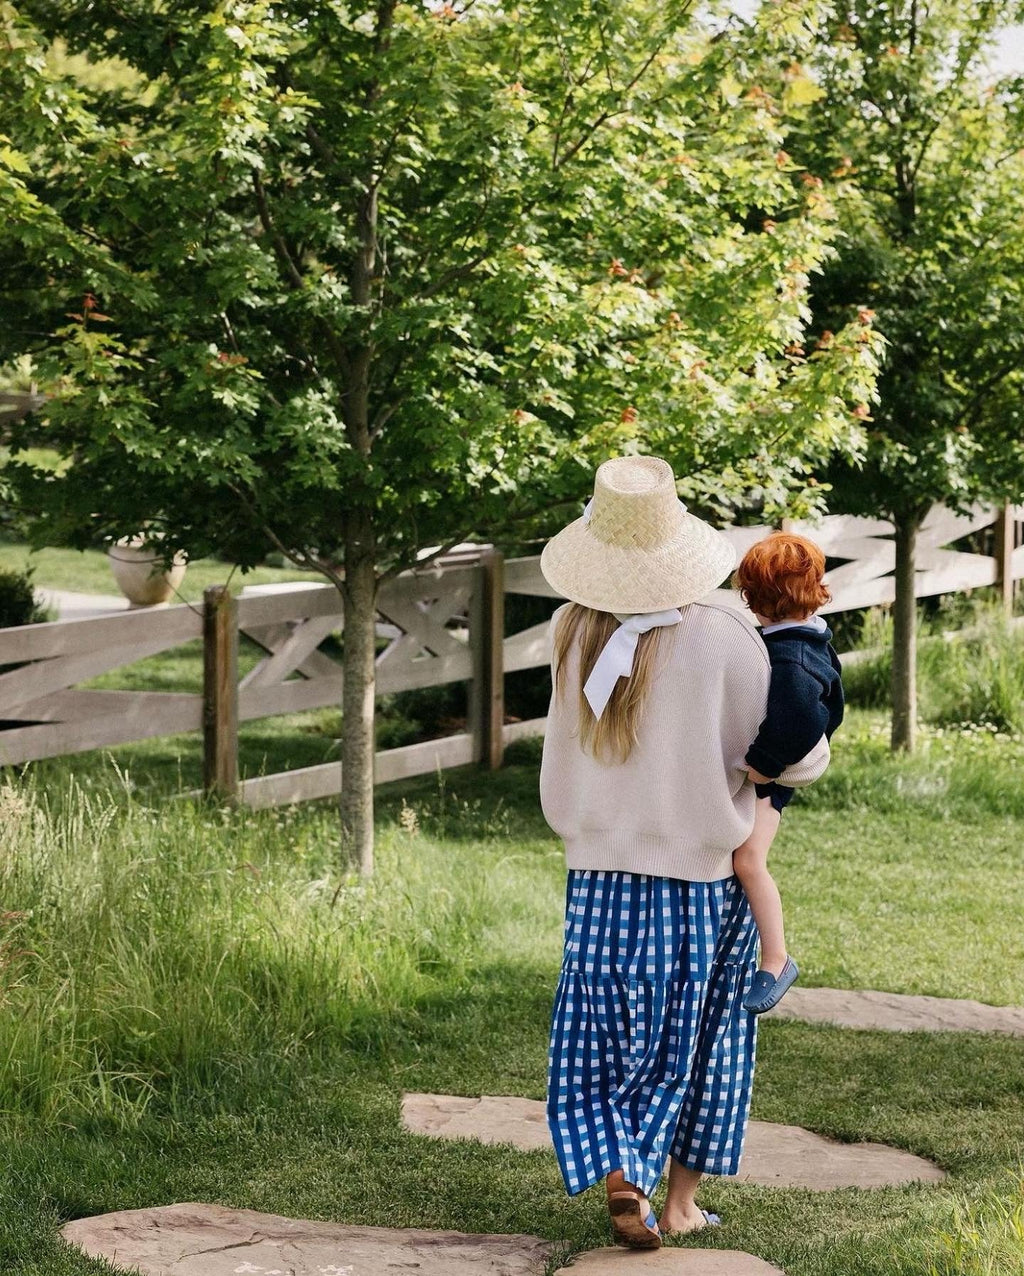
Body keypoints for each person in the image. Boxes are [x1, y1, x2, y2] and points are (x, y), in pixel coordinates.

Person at [539, 456, 829, 1250]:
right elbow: (791, 755)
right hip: (698, 878)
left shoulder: (567, 629)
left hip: (596, 876)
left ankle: (620, 1166)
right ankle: (678, 1204)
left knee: (601, 1027)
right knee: (702, 1036)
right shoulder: (727, 634)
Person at [732, 533, 845, 1015]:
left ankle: (776, 958)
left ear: (755, 598)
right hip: (781, 769)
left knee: (749, 861)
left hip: (776, 774)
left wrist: (763, 765)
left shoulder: (792, 656)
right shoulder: (809, 637)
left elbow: (804, 717)